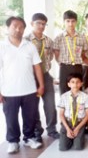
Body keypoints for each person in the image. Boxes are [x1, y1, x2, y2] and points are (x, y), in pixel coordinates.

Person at [0, 16, 43, 154]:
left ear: (24, 29)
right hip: (9, 91)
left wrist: (41, 85)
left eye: (21, 27)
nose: (18, 29)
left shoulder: (29, 46)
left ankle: (29, 138)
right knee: (11, 118)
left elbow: (37, 67)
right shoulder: (2, 47)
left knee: (29, 116)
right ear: (8, 27)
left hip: (29, 89)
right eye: (14, 26)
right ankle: (13, 141)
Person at [24, 13, 59, 142]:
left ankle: (52, 130)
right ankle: (37, 131)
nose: (41, 26)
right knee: (33, 106)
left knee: (50, 104)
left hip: (45, 75)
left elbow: (50, 58)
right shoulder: (25, 40)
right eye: (39, 23)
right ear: (31, 23)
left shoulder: (48, 41)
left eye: (44, 24)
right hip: (30, 78)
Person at [53, 10, 88, 94]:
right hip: (64, 68)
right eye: (68, 21)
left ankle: (77, 107)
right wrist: (61, 64)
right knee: (64, 91)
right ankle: (64, 107)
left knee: (78, 91)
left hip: (78, 67)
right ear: (64, 22)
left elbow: (83, 54)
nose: (70, 24)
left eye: (73, 21)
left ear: (76, 22)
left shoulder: (82, 37)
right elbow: (56, 53)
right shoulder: (59, 37)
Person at [58, 73, 88, 151]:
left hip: (79, 123)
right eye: (72, 82)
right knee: (63, 148)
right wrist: (67, 129)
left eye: (77, 82)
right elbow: (61, 114)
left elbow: (87, 115)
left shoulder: (85, 97)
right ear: (68, 84)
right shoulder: (64, 97)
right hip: (67, 123)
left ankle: (78, 136)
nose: (75, 84)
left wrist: (77, 129)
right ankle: (70, 137)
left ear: (81, 83)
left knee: (78, 147)